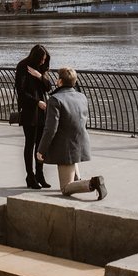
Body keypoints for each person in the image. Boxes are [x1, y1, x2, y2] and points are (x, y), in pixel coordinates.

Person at [36, 67, 106, 201]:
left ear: (59, 81)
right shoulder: (82, 97)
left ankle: (92, 183)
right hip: (80, 142)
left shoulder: (55, 100)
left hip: (65, 148)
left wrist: (41, 150)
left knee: (65, 188)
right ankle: (84, 182)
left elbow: (50, 128)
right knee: (75, 180)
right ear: (74, 81)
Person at [14, 44, 52, 189]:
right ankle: (30, 176)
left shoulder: (40, 69)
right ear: (36, 57)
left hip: (42, 111)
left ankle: (40, 175)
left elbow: (48, 87)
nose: (43, 62)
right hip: (30, 111)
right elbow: (21, 92)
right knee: (30, 144)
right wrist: (37, 102)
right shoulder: (23, 66)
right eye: (42, 59)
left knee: (40, 145)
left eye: (44, 60)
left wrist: (39, 75)